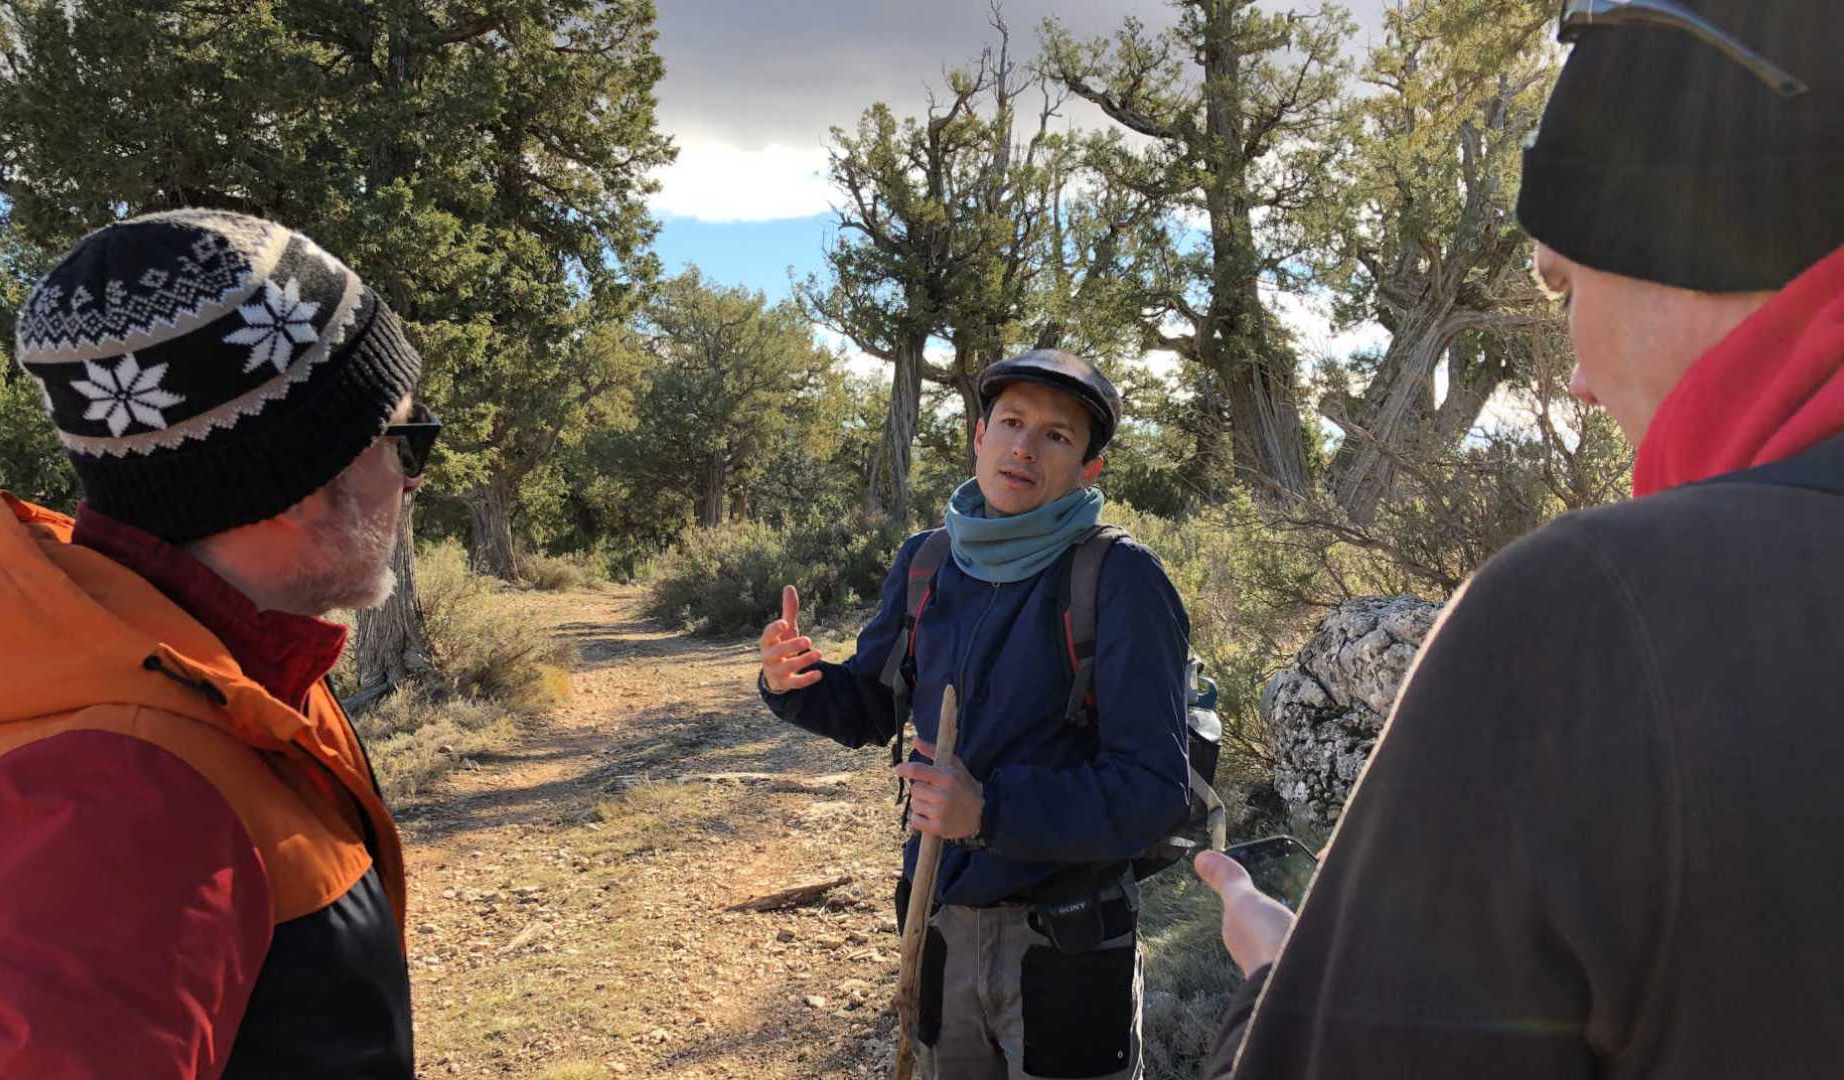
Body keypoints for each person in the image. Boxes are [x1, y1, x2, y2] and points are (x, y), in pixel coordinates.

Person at [1195, 2, 1844, 1076]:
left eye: (1562, 283)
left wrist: (1278, 994)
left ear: (1673, 234)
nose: (1576, 377)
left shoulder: (1589, 620)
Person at [0, 209, 434, 1076]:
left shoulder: (212, 666)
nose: (418, 480)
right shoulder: (115, 804)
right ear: (301, 485)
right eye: (408, 441)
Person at [759, 349, 1192, 1080]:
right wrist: (793, 682)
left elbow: (1154, 790)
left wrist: (988, 812)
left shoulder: (1120, 580)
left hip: (1067, 943)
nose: (1024, 447)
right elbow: (871, 703)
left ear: (1091, 468)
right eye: (1012, 423)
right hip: (936, 921)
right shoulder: (928, 562)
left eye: (1057, 436)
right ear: (979, 435)